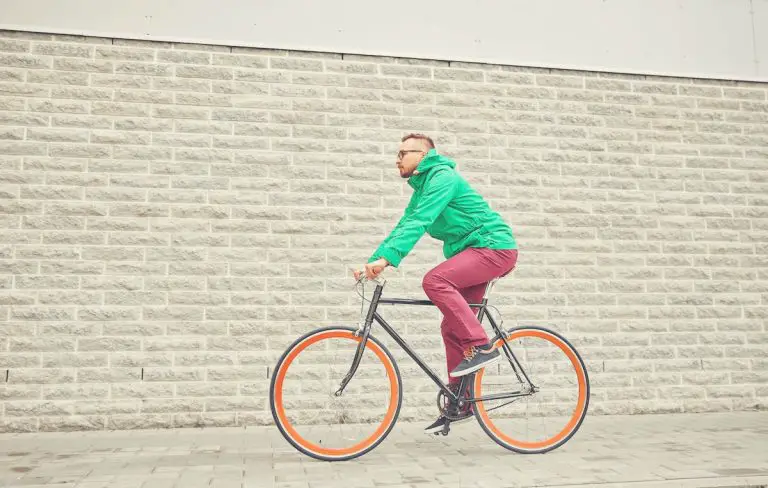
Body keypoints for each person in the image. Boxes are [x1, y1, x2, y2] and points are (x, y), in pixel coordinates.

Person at [353, 133, 519, 434]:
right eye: (398, 151)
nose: (397, 158)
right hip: (476, 250)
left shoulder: (442, 177)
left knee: (435, 281)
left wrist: (389, 260)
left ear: (424, 154)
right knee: (451, 325)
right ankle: (461, 401)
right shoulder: (423, 187)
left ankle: (481, 344)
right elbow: (405, 223)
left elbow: (420, 221)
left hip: (494, 247)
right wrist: (375, 260)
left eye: (404, 152)